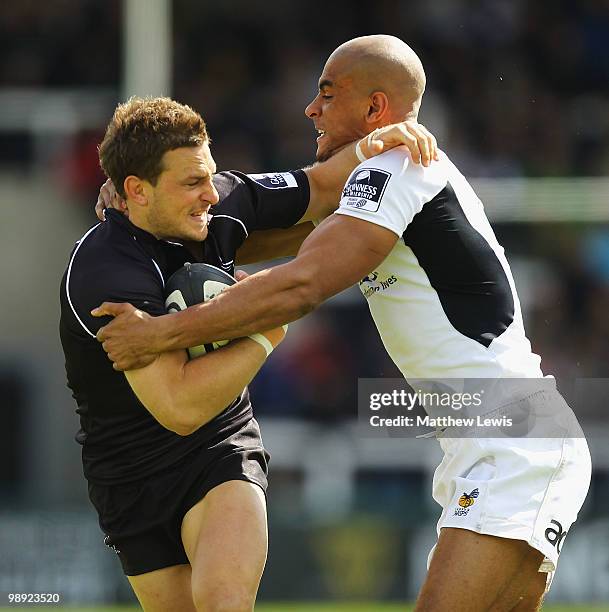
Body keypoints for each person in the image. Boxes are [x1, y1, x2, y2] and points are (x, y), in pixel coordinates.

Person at [94, 37, 591, 611]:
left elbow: (302, 283)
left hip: (512, 441)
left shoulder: (402, 169)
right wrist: (146, 213)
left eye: (328, 94)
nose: (312, 108)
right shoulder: (378, 182)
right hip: (495, 441)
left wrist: (161, 333)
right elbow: (248, 238)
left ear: (377, 109)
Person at [61, 95, 436, 611]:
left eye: (210, 175)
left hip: (219, 448)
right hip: (129, 475)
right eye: (191, 182)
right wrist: (265, 327)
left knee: (223, 604)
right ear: (135, 191)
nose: (209, 194)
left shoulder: (224, 204)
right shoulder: (106, 272)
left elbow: (319, 184)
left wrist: (374, 145)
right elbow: (179, 406)